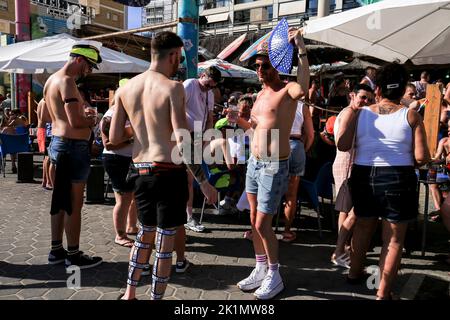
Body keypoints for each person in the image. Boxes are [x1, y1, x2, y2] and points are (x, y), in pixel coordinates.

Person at [109, 31, 217, 300]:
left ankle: (129, 294)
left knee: (145, 233)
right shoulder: (172, 87)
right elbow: (182, 141)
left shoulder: (126, 89)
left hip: (139, 170)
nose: (179, 63)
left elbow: (113, 138)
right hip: (167, 172)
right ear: (172, 55)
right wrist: (204, 181)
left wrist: (142, 131)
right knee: (165, 241)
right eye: (179, 58)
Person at [337, 63, 430, 300]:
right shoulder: (411, 115)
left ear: (378, 89)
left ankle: (354, 273)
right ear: (402, 90)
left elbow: (343, 145)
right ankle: (382, 293)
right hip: (398, 178)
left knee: (363, 227)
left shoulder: (361, 113)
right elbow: (421, 157)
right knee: (393, 239)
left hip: (363, 175)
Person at [233, 27, 309, 300]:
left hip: (275, 165)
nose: (260, 70)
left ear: (276, 66)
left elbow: (303, 86)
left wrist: (301, 50)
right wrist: (240, 119)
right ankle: (261, 267)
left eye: (265, 65)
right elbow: (257, 127)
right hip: (254, 163)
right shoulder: (260, 94)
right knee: (254, 221)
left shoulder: (288, 89)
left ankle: (274, 274)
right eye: (257, 66)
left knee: (264, 223)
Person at [44, 42, 103, 269]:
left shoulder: (52, 80)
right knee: (73, 205)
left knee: (59, 202)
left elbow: (54, 117)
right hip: (72, 147)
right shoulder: (68, 81)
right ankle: (74, 255)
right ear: (79, 59)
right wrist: (91, 119)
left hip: (59, 144)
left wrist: (81, 113)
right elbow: (75, 122)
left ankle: (56, 250)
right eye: (89, 66)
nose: (88, 72)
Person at [331, 84, 373, 268]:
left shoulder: (355, 113)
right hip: (346, 163)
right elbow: (342, 142)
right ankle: (340, 251)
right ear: (352, 95)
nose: (366, 102)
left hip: (349, 163)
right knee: (347, 210)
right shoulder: (349, 113)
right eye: (363, 97)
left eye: (369, 99)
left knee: (346, 209)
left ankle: (344, 249)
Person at [182, 65, 222, 233]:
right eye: (208, 84)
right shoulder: (190, 84)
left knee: (190, 179)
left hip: (198, 137)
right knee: (184, 179)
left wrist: (206, 138)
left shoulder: (210, 94)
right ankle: (183, 216)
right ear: (202, 75)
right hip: (184, 135)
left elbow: (209, 119)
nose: (209, 88)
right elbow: (177, 109)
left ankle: (188, 216)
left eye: (213, 86)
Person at [100, 79, 137, 248]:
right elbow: (108, 143)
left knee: (132, 197)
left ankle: (131, 226)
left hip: (128, 159)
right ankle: (120, 235)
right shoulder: (111, 114)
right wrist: (131, 138)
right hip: (115, 159)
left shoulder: (129, 111)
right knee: (123, 199)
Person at [280, 100, 314, 243]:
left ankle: (263, 228)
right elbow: (311, 134)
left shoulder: (276, 100)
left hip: (277, 144)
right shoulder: (302, 106)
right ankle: (287, 232)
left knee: (268, 188)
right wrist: (303, 149)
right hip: (296, 145)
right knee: (291, 194)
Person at [36, 99, 54, 190]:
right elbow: (44, 118)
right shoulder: (45, 101)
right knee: (48, 157)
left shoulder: (42, 101)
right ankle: (48, 181)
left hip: (42, 130)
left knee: (45, 157)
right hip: (44, 130)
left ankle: (45, 180)